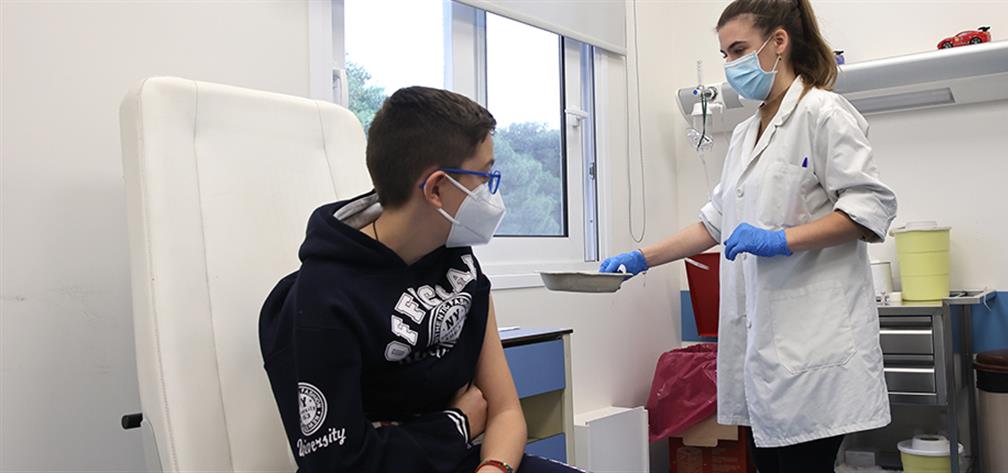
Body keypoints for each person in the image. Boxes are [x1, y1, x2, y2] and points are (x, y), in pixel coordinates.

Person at [601, 1, 897, 472]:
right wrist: (641, 257)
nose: (730, 64)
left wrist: (781, 240)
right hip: (764, 354)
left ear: (779, 42)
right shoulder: (743, 134)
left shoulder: (822, 113)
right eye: (724, 54)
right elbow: (713, 223)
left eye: (739, 50)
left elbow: (869, 210)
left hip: (815, 350)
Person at [260, 86, 583, 473]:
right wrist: (456, 424)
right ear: (436, 189)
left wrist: (494, 468)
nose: (491, 192)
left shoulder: (459, 262)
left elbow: (505, 412)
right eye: (484, 177)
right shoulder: (322, 297)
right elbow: (343, 463)